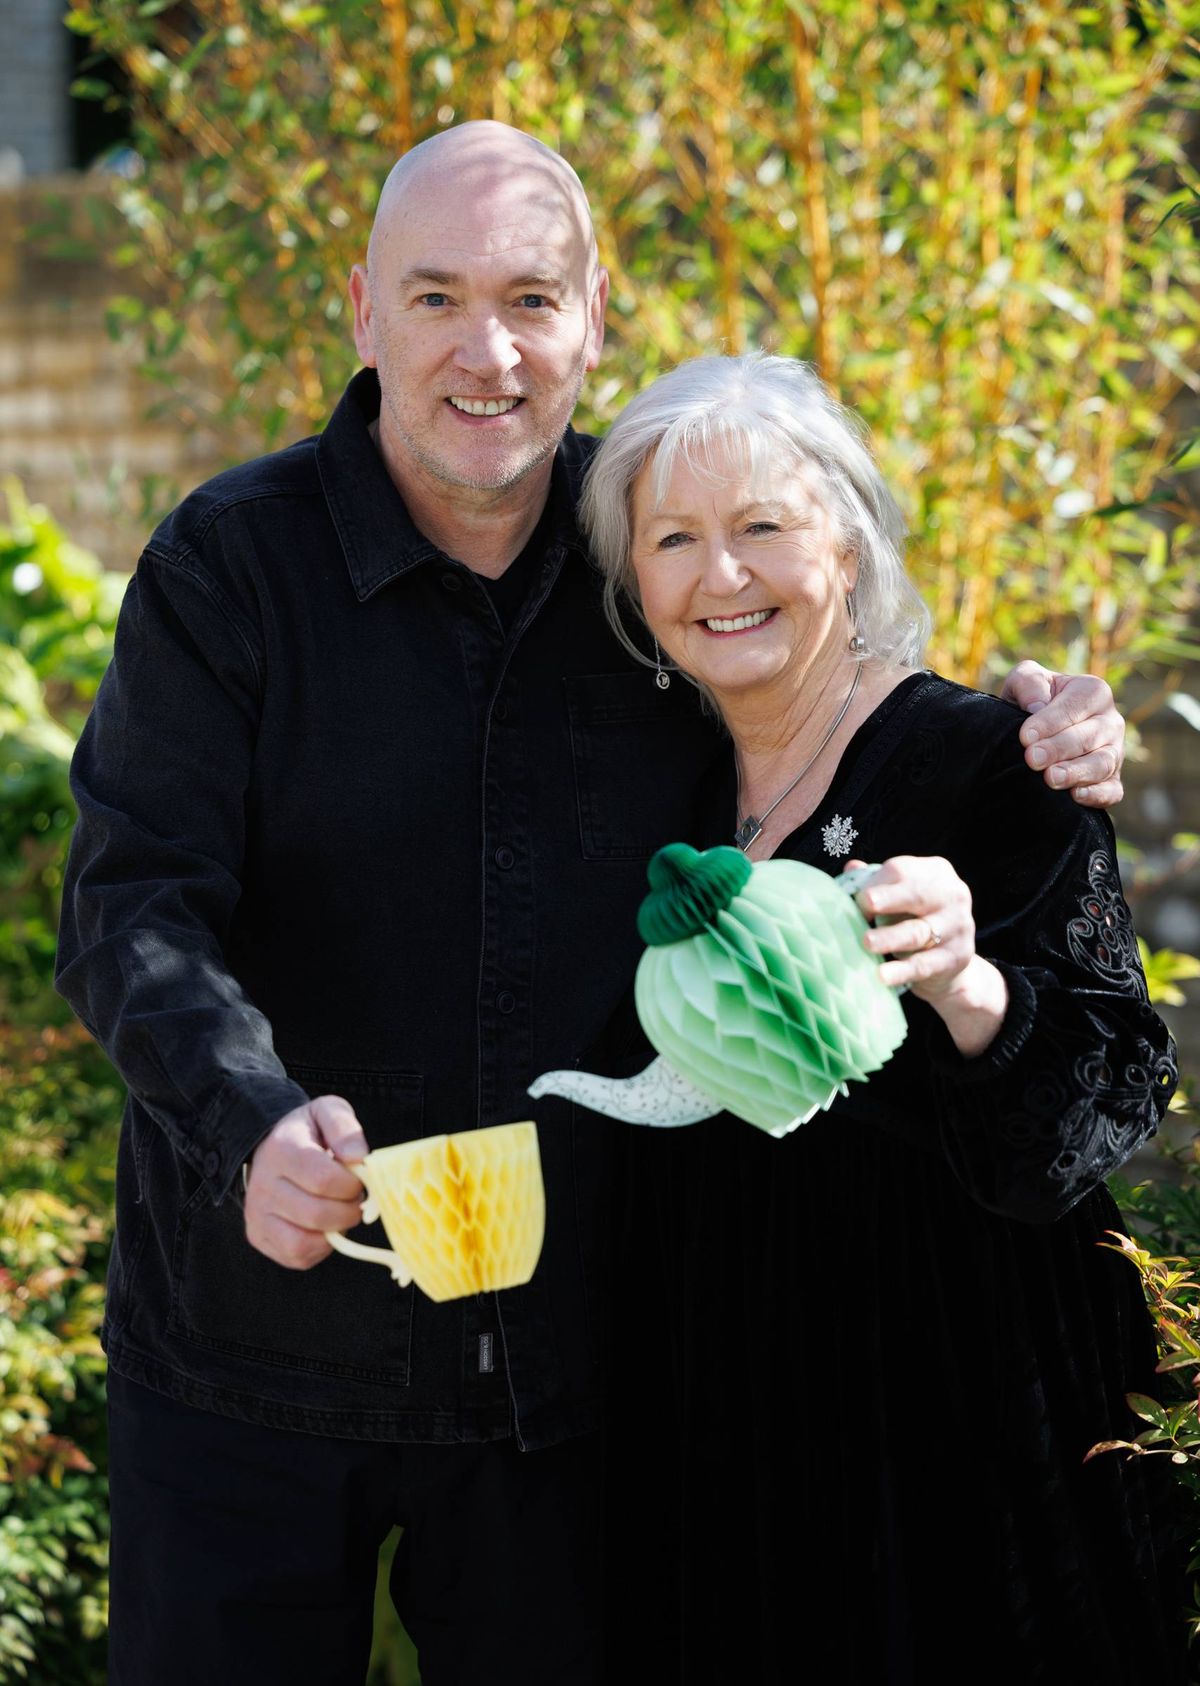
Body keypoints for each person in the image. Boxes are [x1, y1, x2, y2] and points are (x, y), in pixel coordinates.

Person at [54, 122, 1131, 1686]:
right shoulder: (231, 567)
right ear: (361, 308)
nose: (486, 351)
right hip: (252, 1360)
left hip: (571, 1405)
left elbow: (821, 671)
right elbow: (132, 901)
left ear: (594, 319)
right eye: (435, 297)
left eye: (531, 298)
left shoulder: (649, 549)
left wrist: (1035, 728)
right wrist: (248, 1116)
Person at [579, 350, 1184, 1684]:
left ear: (847, 534)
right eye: (673, 538)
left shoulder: (994, 766)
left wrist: (967, 983)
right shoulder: (652, 778)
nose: (718, 576)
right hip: (717, 1409)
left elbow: (1094, 1106)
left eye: (762, 527)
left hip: (953, 1420)